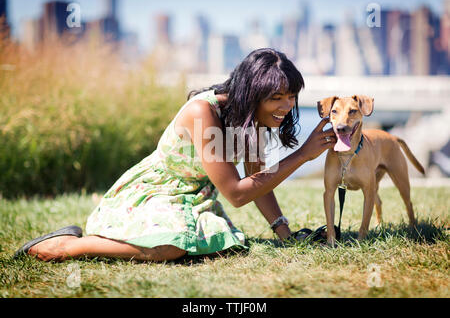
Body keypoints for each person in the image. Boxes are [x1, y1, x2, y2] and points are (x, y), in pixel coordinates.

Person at [14, 48, 336, 262]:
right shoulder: (203, 112)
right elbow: (237, 194)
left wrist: (284, 233)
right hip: (158, 191)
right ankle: (67, 246)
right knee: (167, 248)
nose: (286, 106)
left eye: (291, 97)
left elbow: (256, 180)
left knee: (204, 248)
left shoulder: (253, 118)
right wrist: (302, 155)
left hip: (195, 196)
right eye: (276, 97)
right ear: (252, 94)